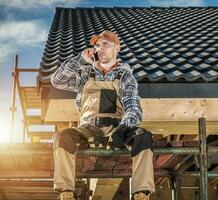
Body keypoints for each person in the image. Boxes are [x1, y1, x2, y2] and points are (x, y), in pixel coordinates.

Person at [51, 30, 155, 200]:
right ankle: (66, 192)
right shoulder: (85, 74)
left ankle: (141, 193)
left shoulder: (125, 76)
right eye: (97, 45)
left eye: (105, 44)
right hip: (88, 128)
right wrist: (80, 60)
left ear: (117, 48)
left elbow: (134, 108)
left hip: (116, 127)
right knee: (62, 136)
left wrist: (122, 130)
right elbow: (57, 80)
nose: (100, 48)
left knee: (144, 137)